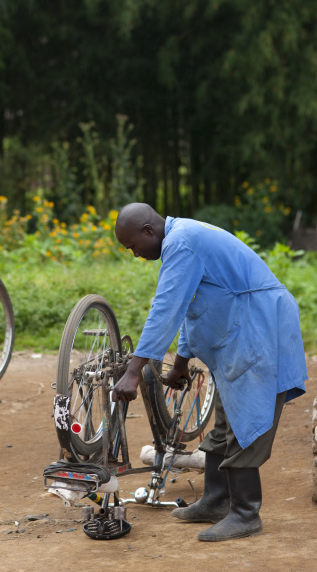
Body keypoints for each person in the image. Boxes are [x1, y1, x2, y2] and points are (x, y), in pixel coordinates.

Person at [112, 203, 308, 542]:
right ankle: (216, 501)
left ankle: (246, 514)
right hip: (240, 328)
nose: (135, 254)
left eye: (133, 246)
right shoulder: (182, 238)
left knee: (246, 419)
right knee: (224, 419)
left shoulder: (180, 242)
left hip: (258, 325)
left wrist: (133, 370)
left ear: (148, 231)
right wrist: (181, 361)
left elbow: (166, 306)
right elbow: (192, 305)